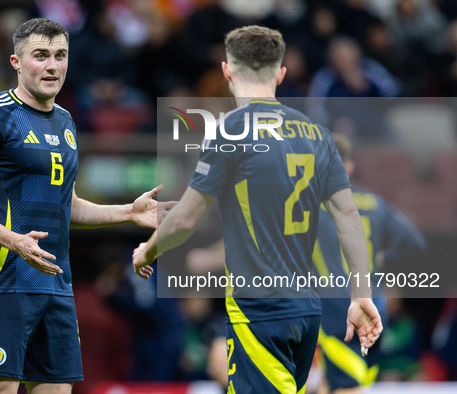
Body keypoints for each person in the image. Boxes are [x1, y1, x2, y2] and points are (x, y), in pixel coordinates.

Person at [133, 25, 383, 394]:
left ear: (226, 71)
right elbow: (348, 215)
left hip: (259, 311)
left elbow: (185, 218)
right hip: (306, 311)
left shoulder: (229, 131)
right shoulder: (317, 134)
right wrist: (361, 294)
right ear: (280, 74)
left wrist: (147, 250)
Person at [0, 18, 174, 394]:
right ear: (16, 62)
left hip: (56, 285)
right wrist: (13, 240)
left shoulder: (66, 122)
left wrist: (128, 213)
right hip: (3, 283)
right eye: (40, 56)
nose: (52, 66)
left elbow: (63, 205)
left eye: (60, 55)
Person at [314, 134, 426, 394]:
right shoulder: (375, 202)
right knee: (339, 384)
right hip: (375, 305)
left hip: (334, 309)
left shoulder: (308, 205)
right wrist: (382, 259)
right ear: (350, 167)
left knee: (346, 387)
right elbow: (415, 242)